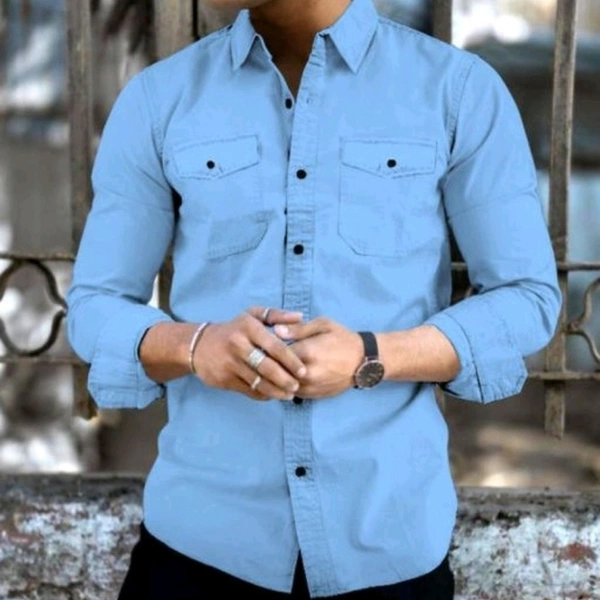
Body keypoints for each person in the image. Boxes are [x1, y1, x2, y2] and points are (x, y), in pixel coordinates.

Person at [66, 0, 561, 598]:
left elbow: (525, 298)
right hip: (202, 545)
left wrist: (370, 356)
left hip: (386, 547)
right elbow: (94, 306)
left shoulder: (457, 91)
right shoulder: (159, 98)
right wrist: (195, 347)